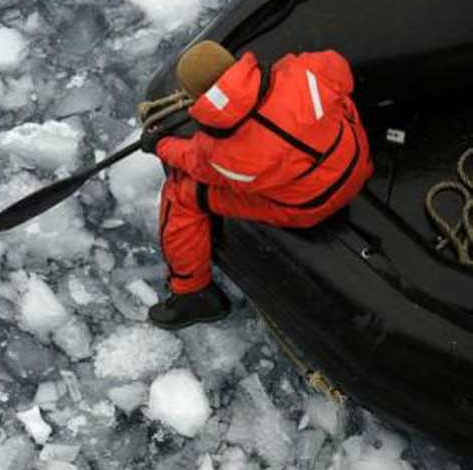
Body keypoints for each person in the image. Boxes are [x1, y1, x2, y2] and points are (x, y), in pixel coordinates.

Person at [139, 40, 373, 330]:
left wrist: (159, 144)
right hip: (357, 164)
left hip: (307, 208)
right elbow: (338, 68)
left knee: (182, 193)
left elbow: (191, 161)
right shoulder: (304, 72)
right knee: (338, 105)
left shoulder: (217, 151)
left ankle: (193, 293)